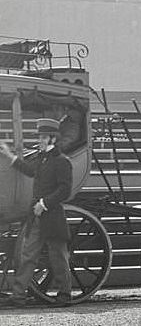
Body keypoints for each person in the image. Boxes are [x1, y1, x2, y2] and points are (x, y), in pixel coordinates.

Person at [0, 118, 73, 307]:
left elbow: (65, 190)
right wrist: (11, 157)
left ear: (53, 139)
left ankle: (65, 295)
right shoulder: (43, 158)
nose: (40, 140)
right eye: (39, 137)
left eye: (43, 137)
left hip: (52, 217)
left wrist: (44, 203)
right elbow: (30, 171)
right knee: (27, 256)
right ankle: (18, 296)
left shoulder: (62, 161)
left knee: (58, 257)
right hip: (37, 217)